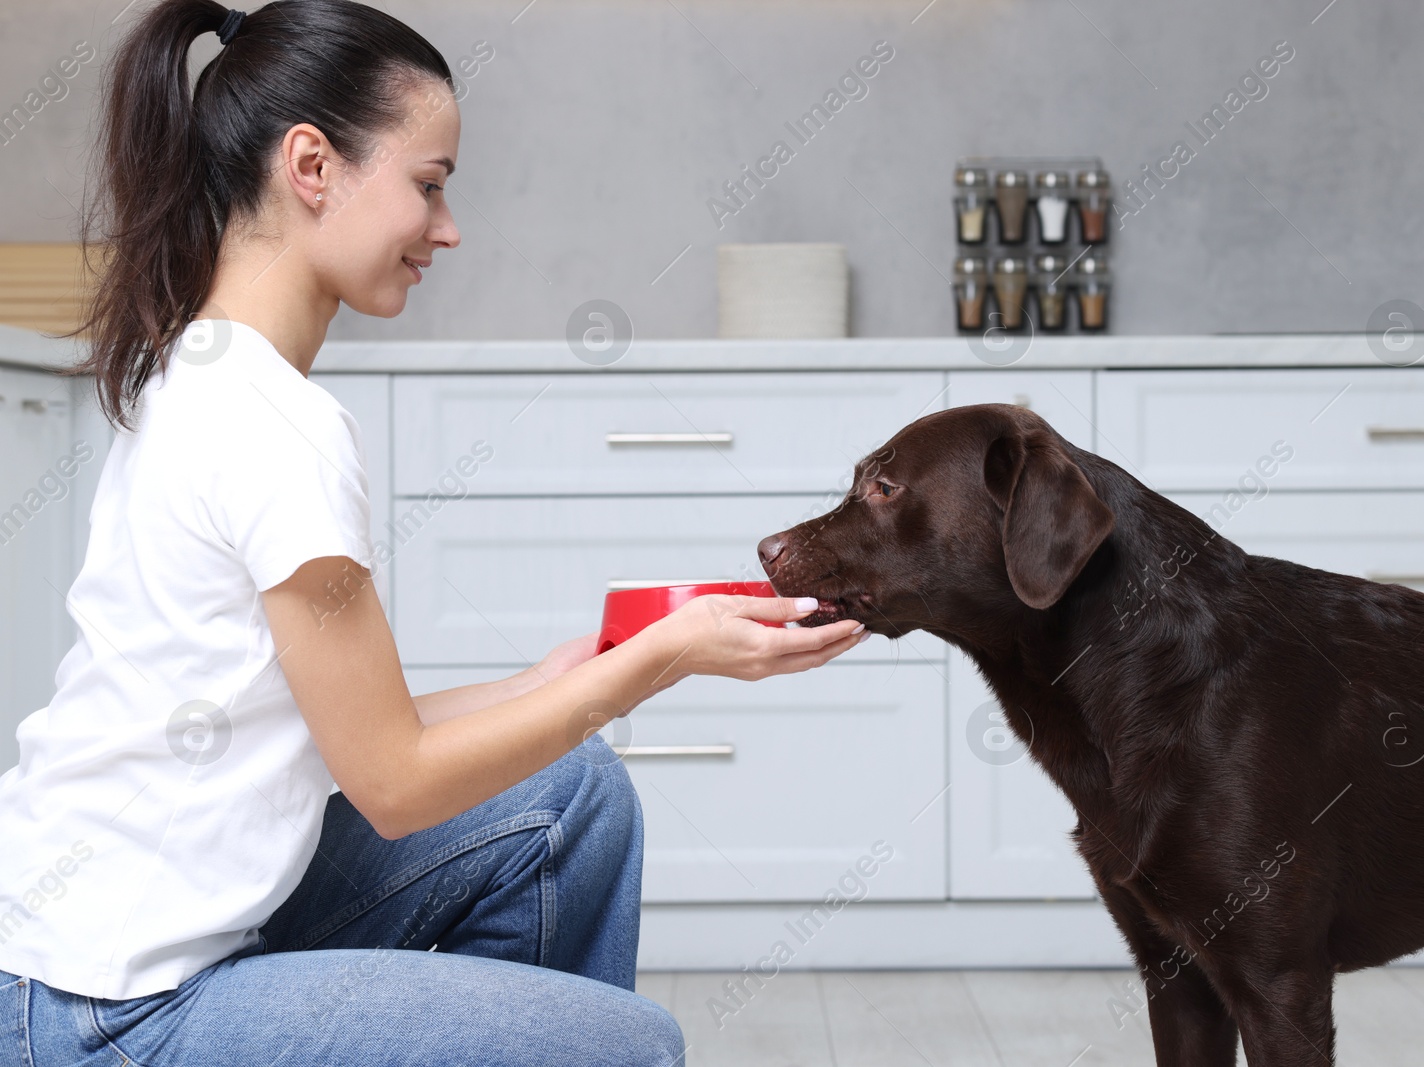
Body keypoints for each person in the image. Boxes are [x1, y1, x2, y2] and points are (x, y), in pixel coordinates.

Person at [0, 2, 866, 1064]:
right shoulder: (279, 427)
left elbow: (333, 723)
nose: (446, 228)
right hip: (105, 1007)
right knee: (625, 1046)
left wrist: (551, 678)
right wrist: (655, 661)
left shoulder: (205, 368)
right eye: (428, 183)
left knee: (572, 794)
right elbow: (395, 781)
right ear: (311, 165)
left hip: (73, 954)